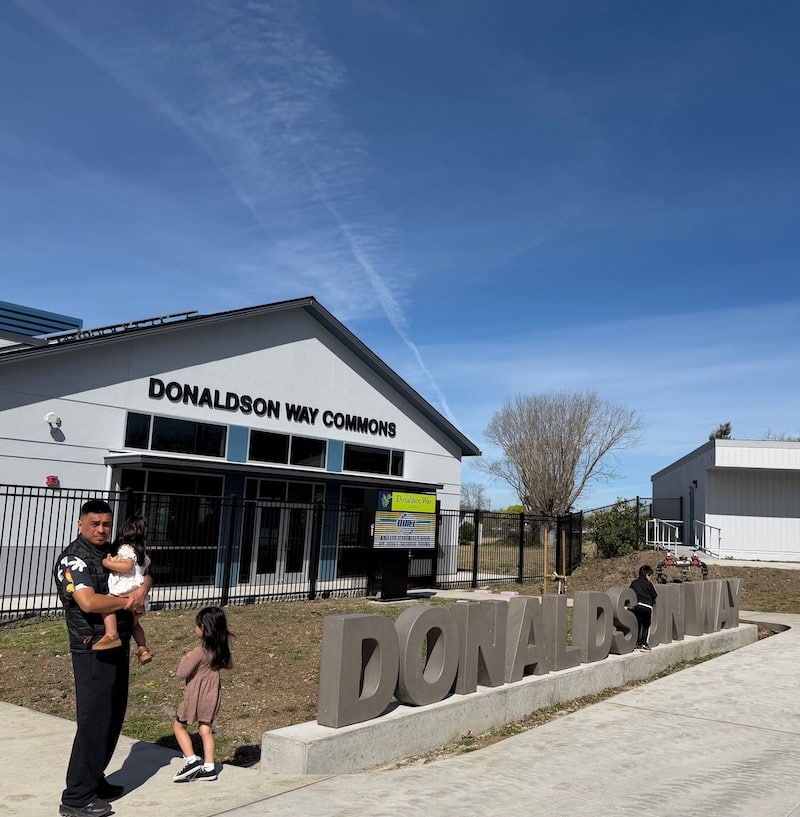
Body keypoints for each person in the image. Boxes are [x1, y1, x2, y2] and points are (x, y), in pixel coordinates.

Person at [53, 499, 152, 817]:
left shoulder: (114, 550)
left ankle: (95, 779)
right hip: (91, 647)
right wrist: (127, 600)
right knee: (94, 721)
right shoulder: (72, 559)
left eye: (106, 523)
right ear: (80, 524)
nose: (101, 529)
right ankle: (76, 797)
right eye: (94, 523)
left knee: (112, 717)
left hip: (118, 643)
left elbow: (146, 572)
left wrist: (141, 590)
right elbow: (89, 603)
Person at [172, 606, 234, 783]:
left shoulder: (199, 652)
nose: (195, 628)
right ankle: (209, 768)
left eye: (197, 625)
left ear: (204, 628)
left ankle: (191, 760)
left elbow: (182, 673)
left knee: (179, 726)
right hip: (212, 694)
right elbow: (229, 665)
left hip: (195, 695)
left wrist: (187, 656)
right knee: (205, 729)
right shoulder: (221, 650)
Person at [98, 514, 153, 664]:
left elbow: (126, 566)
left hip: (125, 589)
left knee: (105, 604)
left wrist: (107, 563)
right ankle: (143, 649)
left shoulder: (126, 548)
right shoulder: (143, 553)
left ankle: (111, 633)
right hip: (139, 594)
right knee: (135, 625)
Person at [630, 564, 658, 651]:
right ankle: (644, 643)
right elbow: (654, 595)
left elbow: (630, 592)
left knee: (638, 625)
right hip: (647, 607)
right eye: (651, 576)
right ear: (647, 575)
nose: (651, 578)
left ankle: (637, 643)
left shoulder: (634, 583)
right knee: (646, 626)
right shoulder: (649, 584)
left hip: (637, 606)